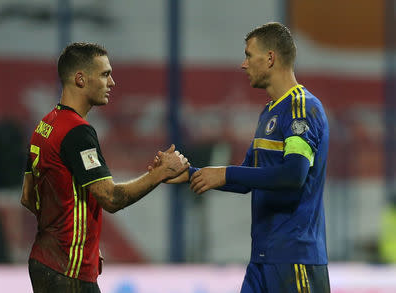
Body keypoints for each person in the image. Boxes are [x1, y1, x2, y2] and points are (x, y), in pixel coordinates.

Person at [153, 22, 331, 292]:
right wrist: (191, 174)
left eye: (249, 55)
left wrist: (225, 172)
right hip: (262, 261)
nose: (243, 64)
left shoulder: (301, 108)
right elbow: (248, 177)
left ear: (270, 58)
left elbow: (294, 175)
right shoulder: (270, 111)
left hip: (295, 261)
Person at [21, 42, 189, 293]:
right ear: (80, 78)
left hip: (44, 262)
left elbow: (28, 197)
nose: (112, 83)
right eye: (105, 74)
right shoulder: (77, 132)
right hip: (69, 271)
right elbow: (111, 198)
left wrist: (77, 238)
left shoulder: (45, 125)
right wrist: (161, 173)